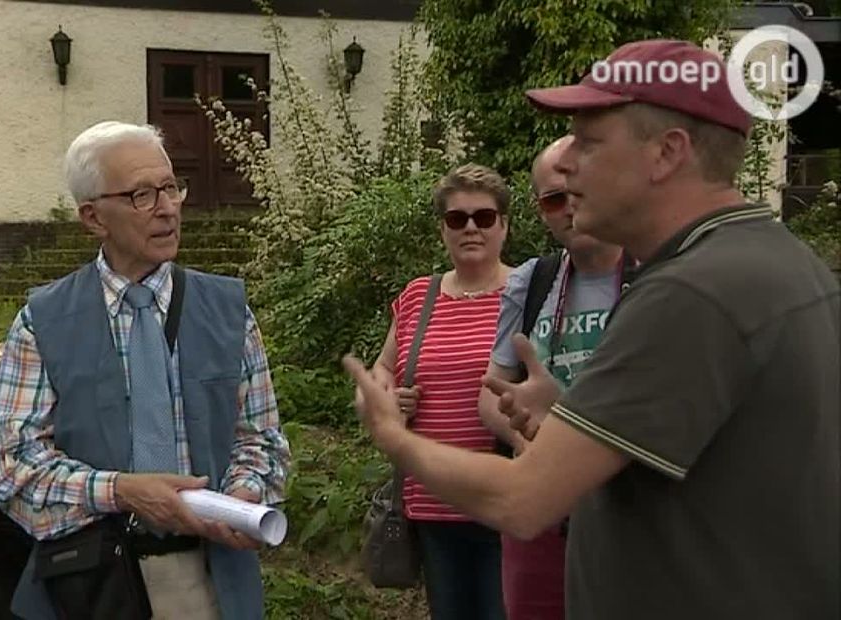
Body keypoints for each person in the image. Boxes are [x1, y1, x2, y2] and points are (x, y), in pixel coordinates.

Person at [343, 39, 839, 619]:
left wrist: (394, 436)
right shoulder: (781, 261)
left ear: (666, 153)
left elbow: (523, 499)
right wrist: (572, 412)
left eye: (589, 141)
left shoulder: (690, 293)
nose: (568, 162)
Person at [0, 120, 291, 620]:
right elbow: (13, 468)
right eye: (141, 195)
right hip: (89, 584)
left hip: (211, 583)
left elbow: (261, 440)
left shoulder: (228, 310)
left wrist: (244, 495)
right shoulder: (42, 321)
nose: (167, 207)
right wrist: (121, 492)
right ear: (93, 218)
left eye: (172, 187)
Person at [478, 135, 627, 620]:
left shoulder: (660, 276)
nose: (567, 209)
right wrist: (524, 440)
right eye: (552, 200)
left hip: (628, 511)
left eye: (576, 192)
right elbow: (490, 393)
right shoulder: (531, 281)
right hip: (543, 511)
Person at [371, 163, 510, 620]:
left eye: (484, 217)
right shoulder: (418, 296)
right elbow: (383, 371)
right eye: (457, 219)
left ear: (504, 225)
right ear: (443, 230)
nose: (471, 227)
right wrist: (390, 399)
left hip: (505, 499)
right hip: (432, 502)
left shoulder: (526, 292)